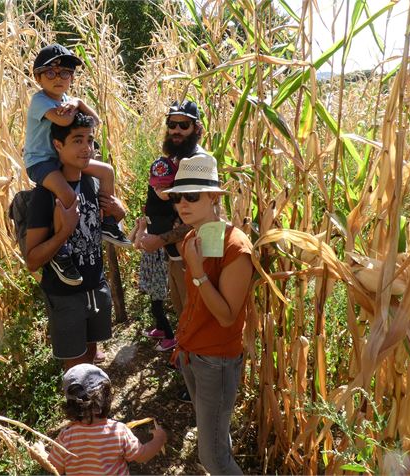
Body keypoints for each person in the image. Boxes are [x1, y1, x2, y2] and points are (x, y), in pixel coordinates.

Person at [165, 152, 254, 475]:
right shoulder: (192, 238)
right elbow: (196, 304)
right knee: (215, 439)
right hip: (191, 353)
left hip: (216, 360)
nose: (182, 205)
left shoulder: (235, 248)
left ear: (214, 196)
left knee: (213, 458)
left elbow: (227, 317)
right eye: (178, 198)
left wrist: (199, 271)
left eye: (192, 196)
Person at [24, 43, 130, 286]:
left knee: (106, 172)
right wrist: (75, 106)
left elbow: (95, 120)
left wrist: (79, 100)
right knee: (68, 195)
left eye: (65, 73)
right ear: (38, 77)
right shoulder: (39, 100)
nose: (58, 78)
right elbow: (65, 120)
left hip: (62, 159)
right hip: (41, 162)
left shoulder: (67, 99)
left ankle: (108, 223)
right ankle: (60, 254)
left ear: (71, 77)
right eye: (50, 73)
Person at [25, 113, 125, 369]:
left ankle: (96, 410)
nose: (87, 148)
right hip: (65, 296)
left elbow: (105, 230)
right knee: (77, 371)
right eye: (77, 140)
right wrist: (63, 231)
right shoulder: (45, 195)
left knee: (91, 359)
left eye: (90, 140)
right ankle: (82, 410)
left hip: (96, 287)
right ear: (58, 145)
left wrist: (119, 214)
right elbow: (32, 260)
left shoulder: (93, 182)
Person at [138, 99, 207, 400]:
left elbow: (197, 219)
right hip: (176, 252)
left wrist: (160, 239)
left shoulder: (199, 162)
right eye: (172, 124)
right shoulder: (175, 160)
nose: (176, 130)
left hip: (197, 252)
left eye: (184, 125)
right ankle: (189, 373)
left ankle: (200, 383)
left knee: (197, 313)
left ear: (196, 128)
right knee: (183, 311)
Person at [48, 364, 167, 475]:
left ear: (70, 405)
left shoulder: (66, 436)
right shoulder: (119, 431)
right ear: (107, 399)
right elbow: (142, 455)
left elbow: (56, 468)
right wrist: (159, 439)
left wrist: (39, 453)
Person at [135, 157, 179, 352]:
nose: (159, 190)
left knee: (160, 303)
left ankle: (172, 337)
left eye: (165, 185)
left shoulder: (180, 204)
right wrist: (141, 229)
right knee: (156, 301)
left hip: (170, 258)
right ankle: (162, 329)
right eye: (155, 186)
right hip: (156, 258)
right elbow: (136, 241)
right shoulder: (152, 202)